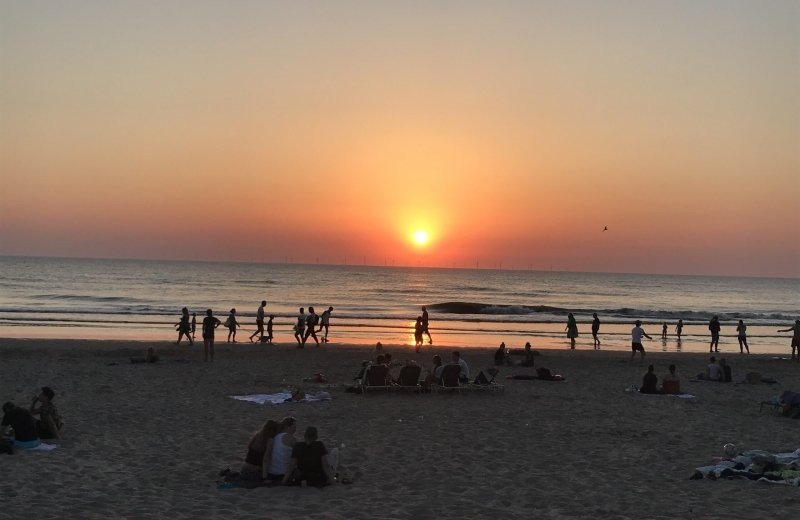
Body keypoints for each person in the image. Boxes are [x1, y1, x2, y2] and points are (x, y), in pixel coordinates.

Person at [267, 417, 297, 482]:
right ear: (287, 427)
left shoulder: (275, 437)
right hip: (283, 474)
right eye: (294, 427)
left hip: (271, 473)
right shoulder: (291, 438)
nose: (295, 429)